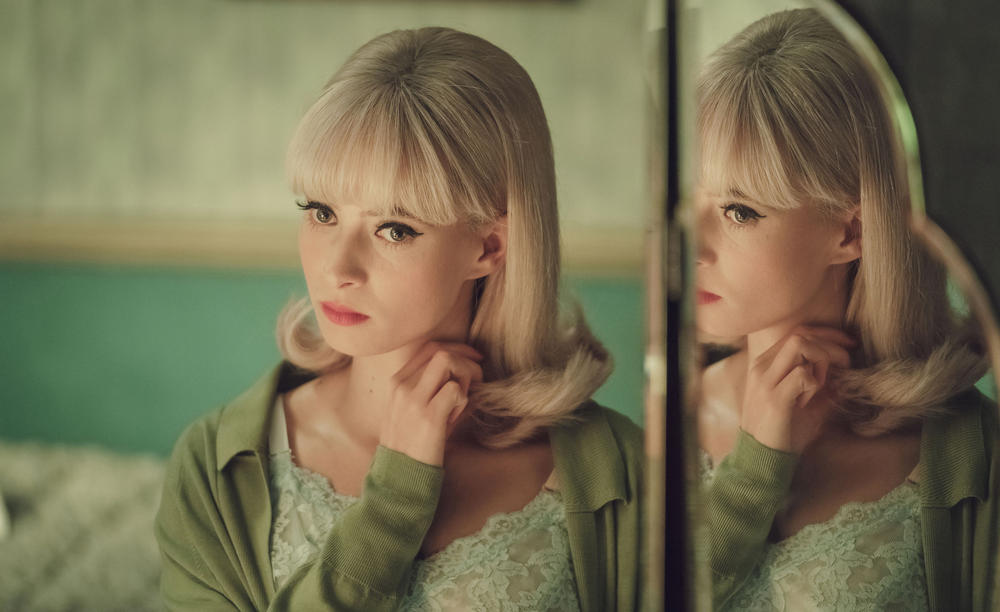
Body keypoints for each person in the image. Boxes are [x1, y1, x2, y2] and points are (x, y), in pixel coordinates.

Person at [154, 27, 643, 612]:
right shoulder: (213, 468)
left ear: (488, 246)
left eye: (395, 229)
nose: (338, 267)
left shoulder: (623, 468)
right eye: (321, 211)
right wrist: (395, 500)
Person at [694, 9, 996, 611]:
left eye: (739, 210)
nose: (692, 242)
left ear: (851, 231)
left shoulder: (966, 448)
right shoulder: (667, 411)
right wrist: (756, 467)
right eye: (690, 198)